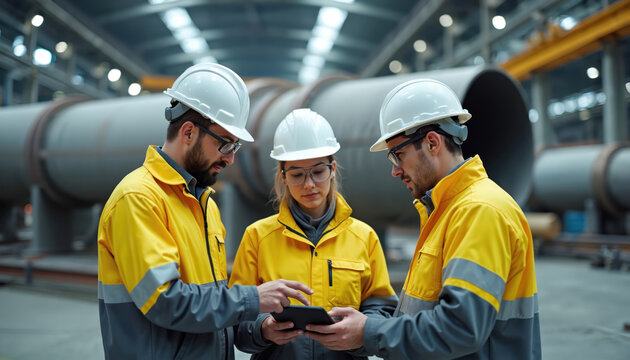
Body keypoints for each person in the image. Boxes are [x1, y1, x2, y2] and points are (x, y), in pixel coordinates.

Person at [305, 79, 541, 359]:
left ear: (431, 142)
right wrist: (369, 326)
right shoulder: (445, 211)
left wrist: (368, 332)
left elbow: (459, 328)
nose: (395, 171)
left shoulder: (480, 211)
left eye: (398, 155)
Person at [97, 63, 312, 360]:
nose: (231, 159)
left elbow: (213, 304)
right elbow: (165, 302)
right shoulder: (138, 198)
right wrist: (252, 299)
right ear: (188, 132)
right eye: (226, 145)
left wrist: (262, 329)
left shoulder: (205, 205)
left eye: (234, 148)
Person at [229, 108, 398, 359]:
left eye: (318, 172)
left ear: (332, 169)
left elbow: (381, 310)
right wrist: (264, 329)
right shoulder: (258, 237)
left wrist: (359, 332)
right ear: (283, 177)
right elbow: (237, 320)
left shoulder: (364, 237)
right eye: (297, 175)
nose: (309, 184)